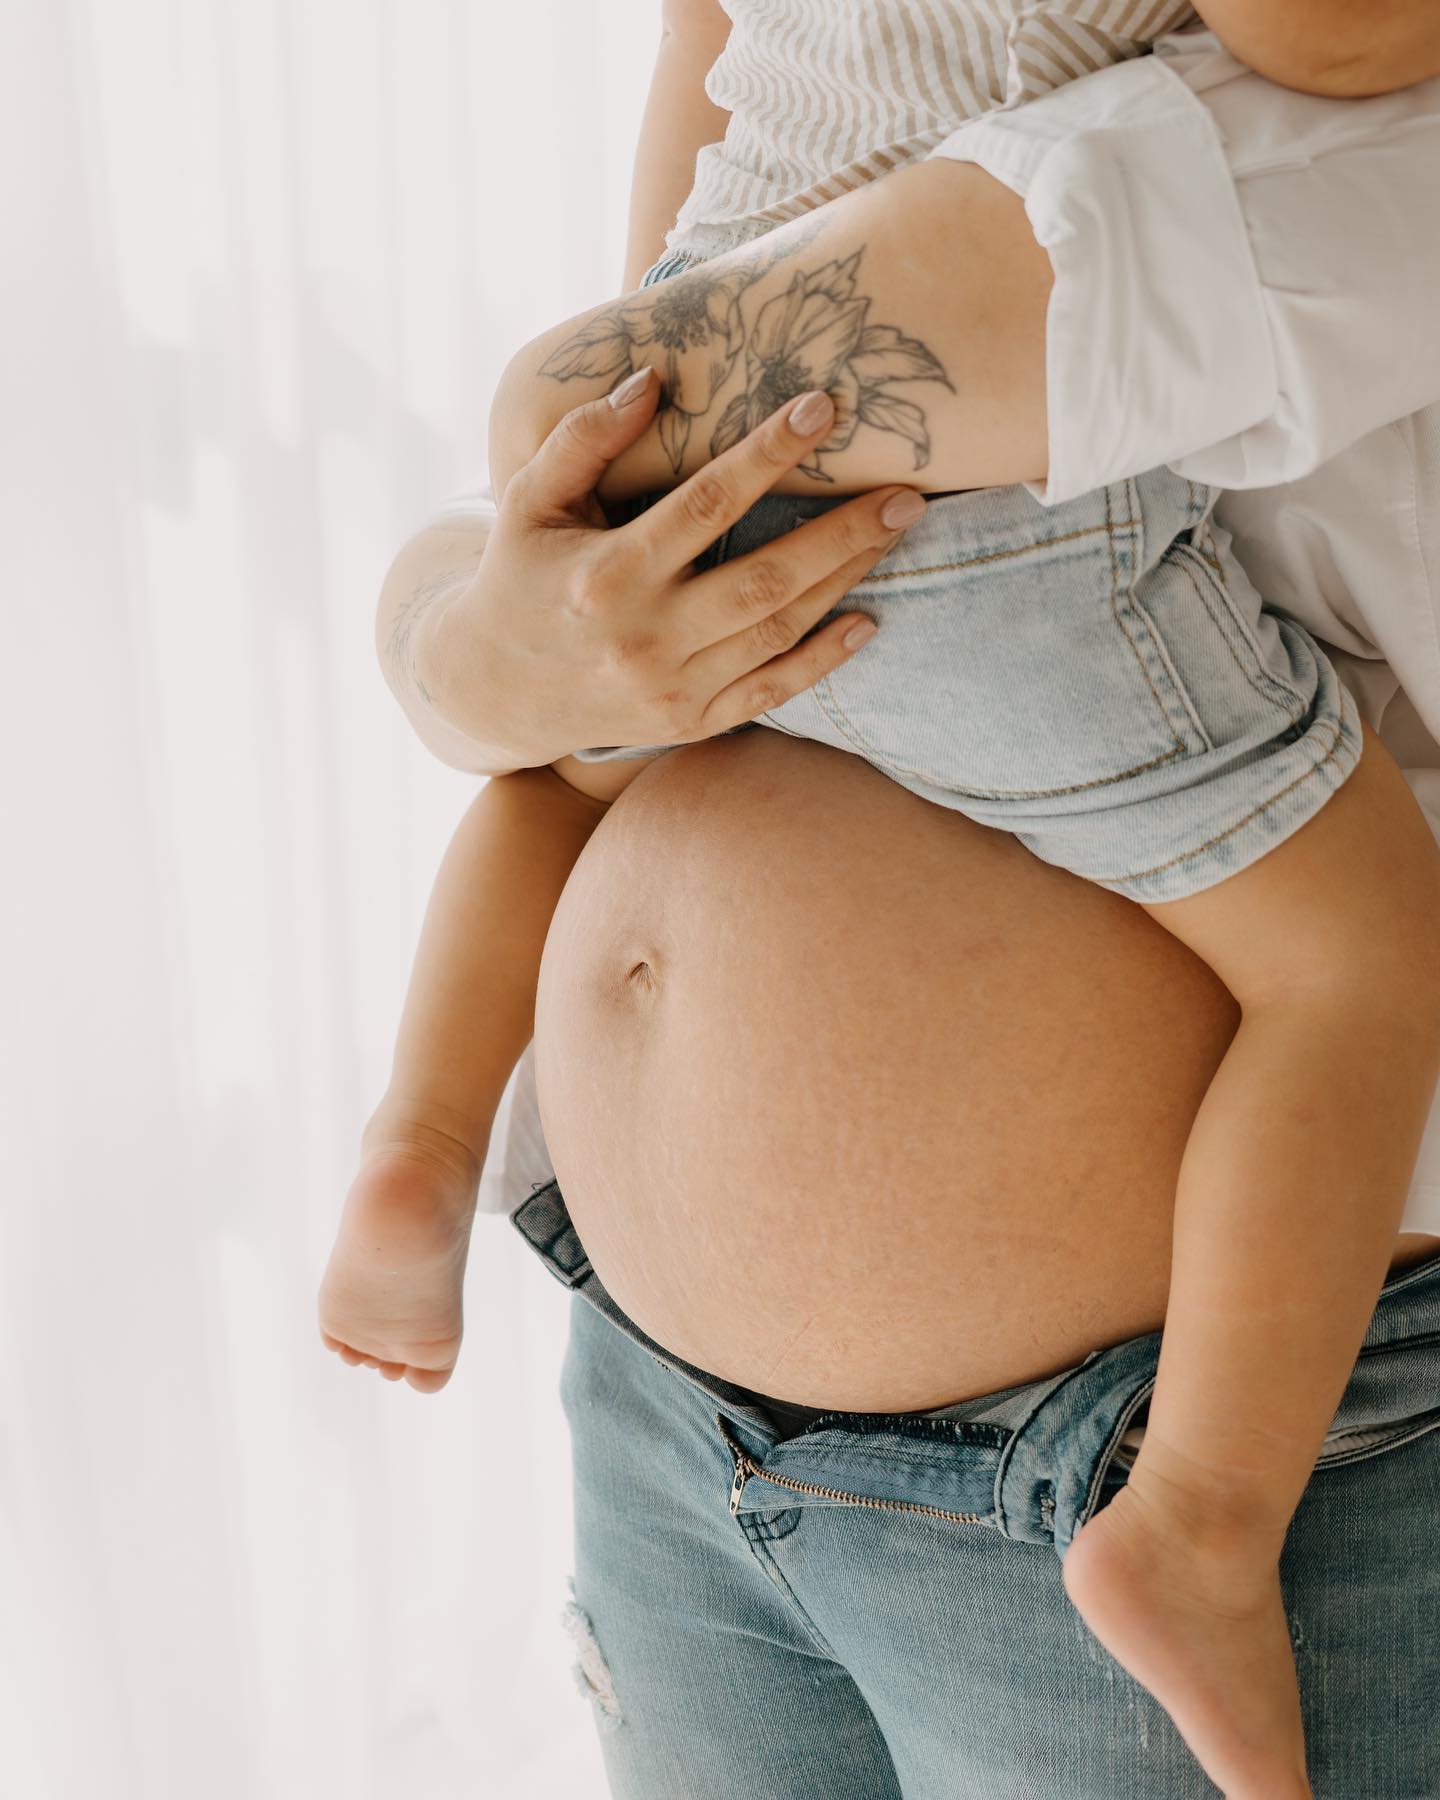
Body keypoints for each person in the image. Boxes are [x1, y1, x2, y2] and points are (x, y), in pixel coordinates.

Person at [318, 12, 1440, 1793]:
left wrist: (519, 660)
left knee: (579, 742)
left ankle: (419, 1137)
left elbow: (620, 403)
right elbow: (548, 580)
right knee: (1359, 958)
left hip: (1152, 1421)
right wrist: (489, 654)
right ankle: (1196, 1531)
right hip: (664, 1414)